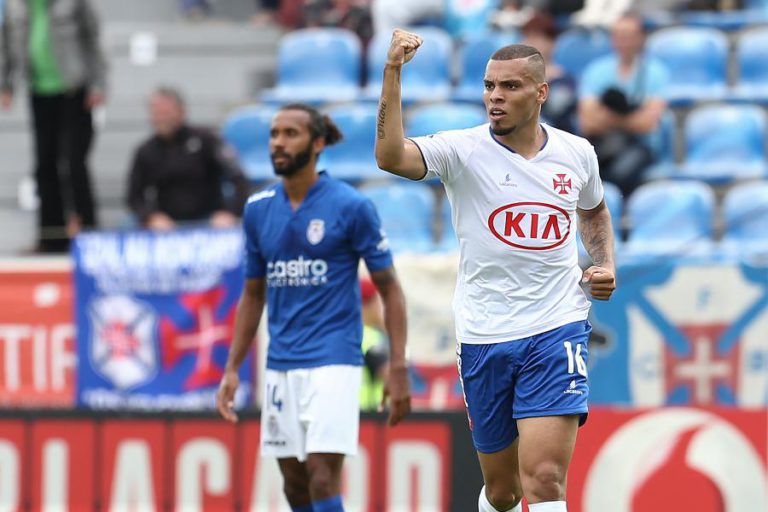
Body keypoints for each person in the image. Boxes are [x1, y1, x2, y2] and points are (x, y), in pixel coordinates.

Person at [375, 29, 616, 512]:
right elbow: (390, 157)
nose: (495, 98)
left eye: (509, 87)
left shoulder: (576, 153)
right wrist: (393, 72)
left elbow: (593, 211)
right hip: (484, 331)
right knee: (504, 492)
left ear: (541, 92)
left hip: (556, 325)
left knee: (546, 478)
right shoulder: (460, 150)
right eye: (489, 87)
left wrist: (604, 261)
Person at [216, 103, 411, 512]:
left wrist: (397, 366)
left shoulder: (351, 206)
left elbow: (390, 289)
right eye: (274, 134)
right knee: (294, 484)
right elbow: (253, 294)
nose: (278, 143)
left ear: (318, 143)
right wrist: (232, 368)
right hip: (281, 362)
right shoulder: (257, 209)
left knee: (323, 475)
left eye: (291, 133)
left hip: (334, 359)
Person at [0, 0, 107, 252]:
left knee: (73, 162)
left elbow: (93, 39)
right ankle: (51, 237)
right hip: (39, 91)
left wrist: (98, 84)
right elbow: (6, 43)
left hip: (74, 89)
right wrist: (6, 83)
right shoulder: (16, 5)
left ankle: (89, 233)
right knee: (44, 165)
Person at [126, 87, 250, 230]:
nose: (161, 118)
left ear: (181, 112)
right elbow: (134, 197)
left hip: (209, 219)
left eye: (166, 112)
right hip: (166, 223)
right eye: (156, 113)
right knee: (128, 223)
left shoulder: (207, 139)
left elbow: (239, 177)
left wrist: (230, 213)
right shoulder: (145, 151)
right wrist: (150, 217)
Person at [577, 12, 669, 197]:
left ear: (641, 39)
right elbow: (587, 122)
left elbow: (649, 123)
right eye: (619, 36)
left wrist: (606, 117)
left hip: (641, 146)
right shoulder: (596, 70)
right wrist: (631, 119)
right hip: (602, 143)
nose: (623, 42)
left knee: (619, 174)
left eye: (629, 36)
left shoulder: (655, 72)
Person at [359, 276, 389, 411]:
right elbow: (391, 376)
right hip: (369, 415)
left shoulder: (342, 334)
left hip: (346, 410)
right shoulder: (370, 336)